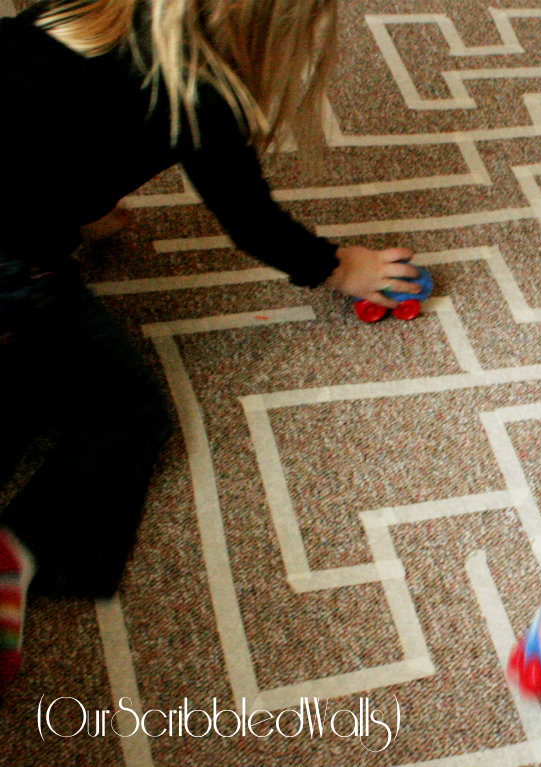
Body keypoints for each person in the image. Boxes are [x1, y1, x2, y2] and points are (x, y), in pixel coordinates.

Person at [0, 0, 420, 689]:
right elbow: (252, 220)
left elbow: (42, 108)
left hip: (20, 211)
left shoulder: (79, 7)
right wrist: (343, 265)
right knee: (126, 415)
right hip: (13, 269)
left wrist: (84, 205)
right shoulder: (202, 91)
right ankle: (19, 550)